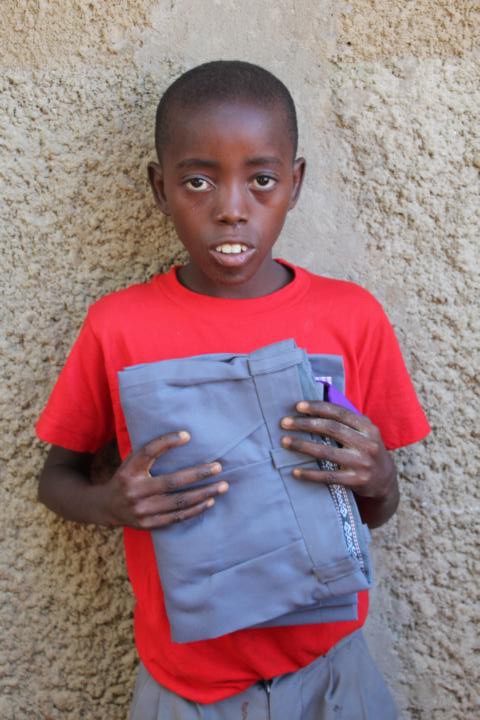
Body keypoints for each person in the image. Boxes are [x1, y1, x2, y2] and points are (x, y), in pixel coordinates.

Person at [36, 61, 430, 719]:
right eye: (198, 181)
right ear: (159, 188)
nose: (231, 209)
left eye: (262, 180)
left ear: (295, 183)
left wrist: (382, 481)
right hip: (184, 688)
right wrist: (111, 504)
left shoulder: (351, 317)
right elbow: (56, 479)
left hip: (332, 674)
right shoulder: (119, 326)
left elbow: (370, 510)